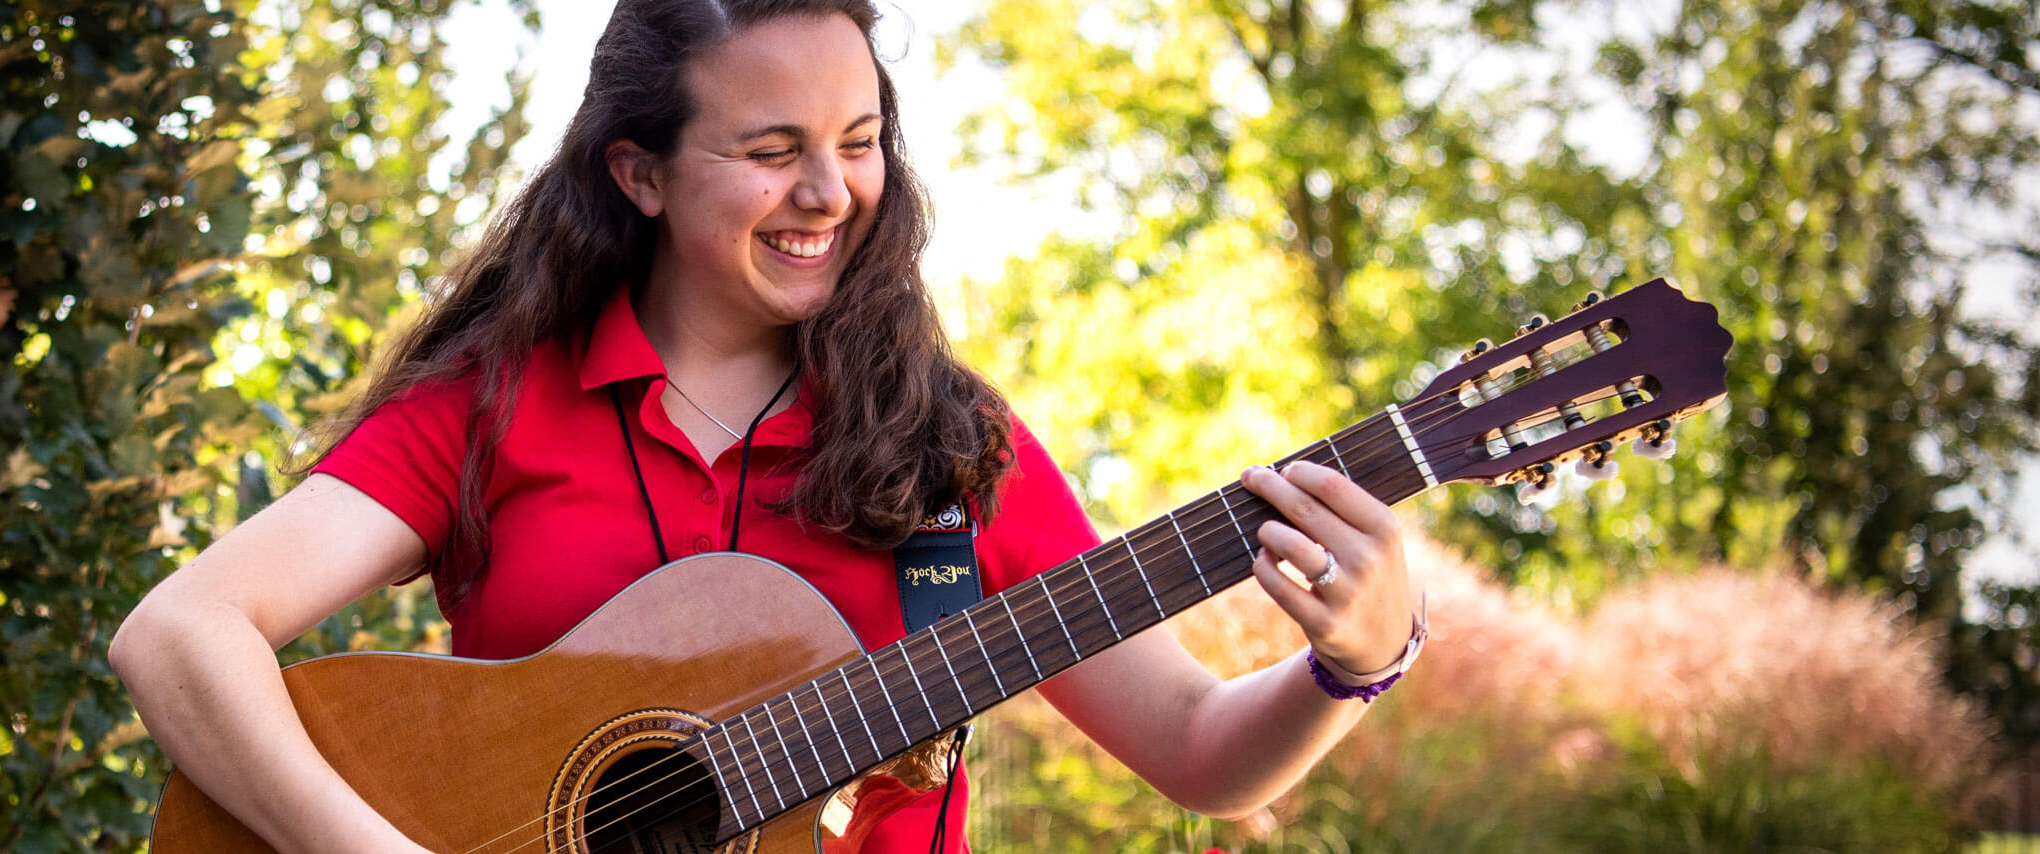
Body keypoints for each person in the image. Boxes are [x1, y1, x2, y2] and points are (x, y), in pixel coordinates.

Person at [109, 1, 1422, 851]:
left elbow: (1199, 751)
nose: (829, 192)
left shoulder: (948, 443)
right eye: (772, 147)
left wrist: (1351, 666)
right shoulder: (496, 405)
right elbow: (177, 632)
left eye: (858, 142)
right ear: (639, 172)